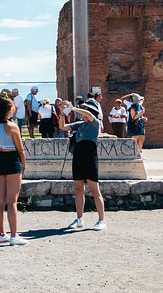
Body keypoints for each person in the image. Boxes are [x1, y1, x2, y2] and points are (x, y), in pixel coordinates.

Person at [59, 99, 107, 231]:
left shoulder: (95, 123)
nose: (82, 111)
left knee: (94, 190)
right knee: (78, 189)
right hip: (78, 156)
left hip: (90, 157)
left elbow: (89, 115)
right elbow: (62, 127)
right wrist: (62, 113)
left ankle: (101, 220)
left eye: (85, 108)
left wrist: (73, 109)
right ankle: (79, 219)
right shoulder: (79, 124)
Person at [0, 97, 28, 246]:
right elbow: (21, 149)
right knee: (12, 201)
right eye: (12, 108)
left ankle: (1, 234)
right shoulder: (12, 127)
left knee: (0, 200)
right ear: (7, 110)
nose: (14, 110)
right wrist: (23, 166)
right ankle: (14, 236)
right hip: (12, 160)